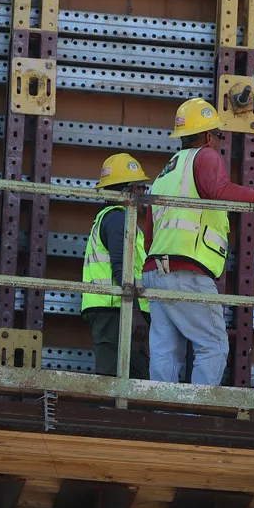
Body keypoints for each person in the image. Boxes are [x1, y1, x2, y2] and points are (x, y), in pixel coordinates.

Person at [142, 98, 254, 386]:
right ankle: (196, 417)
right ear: (207, 135)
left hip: (157, 270)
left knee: (165, 349)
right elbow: (221, 190)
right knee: (213, 344)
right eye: (217, 135)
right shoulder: (205, 157)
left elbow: (149, 231)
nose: (218, 141)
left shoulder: (165, 172)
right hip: (187, 271)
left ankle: (163, 414)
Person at [81, 153, 153, 379]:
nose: (145, 194)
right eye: (142, 187)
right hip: (116, 310)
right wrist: (135, 313)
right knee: (113, 380)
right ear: (130, 191)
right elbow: (121, 266)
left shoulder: (115, 219)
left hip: (116, 309)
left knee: (130, 380)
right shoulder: (117, 219)